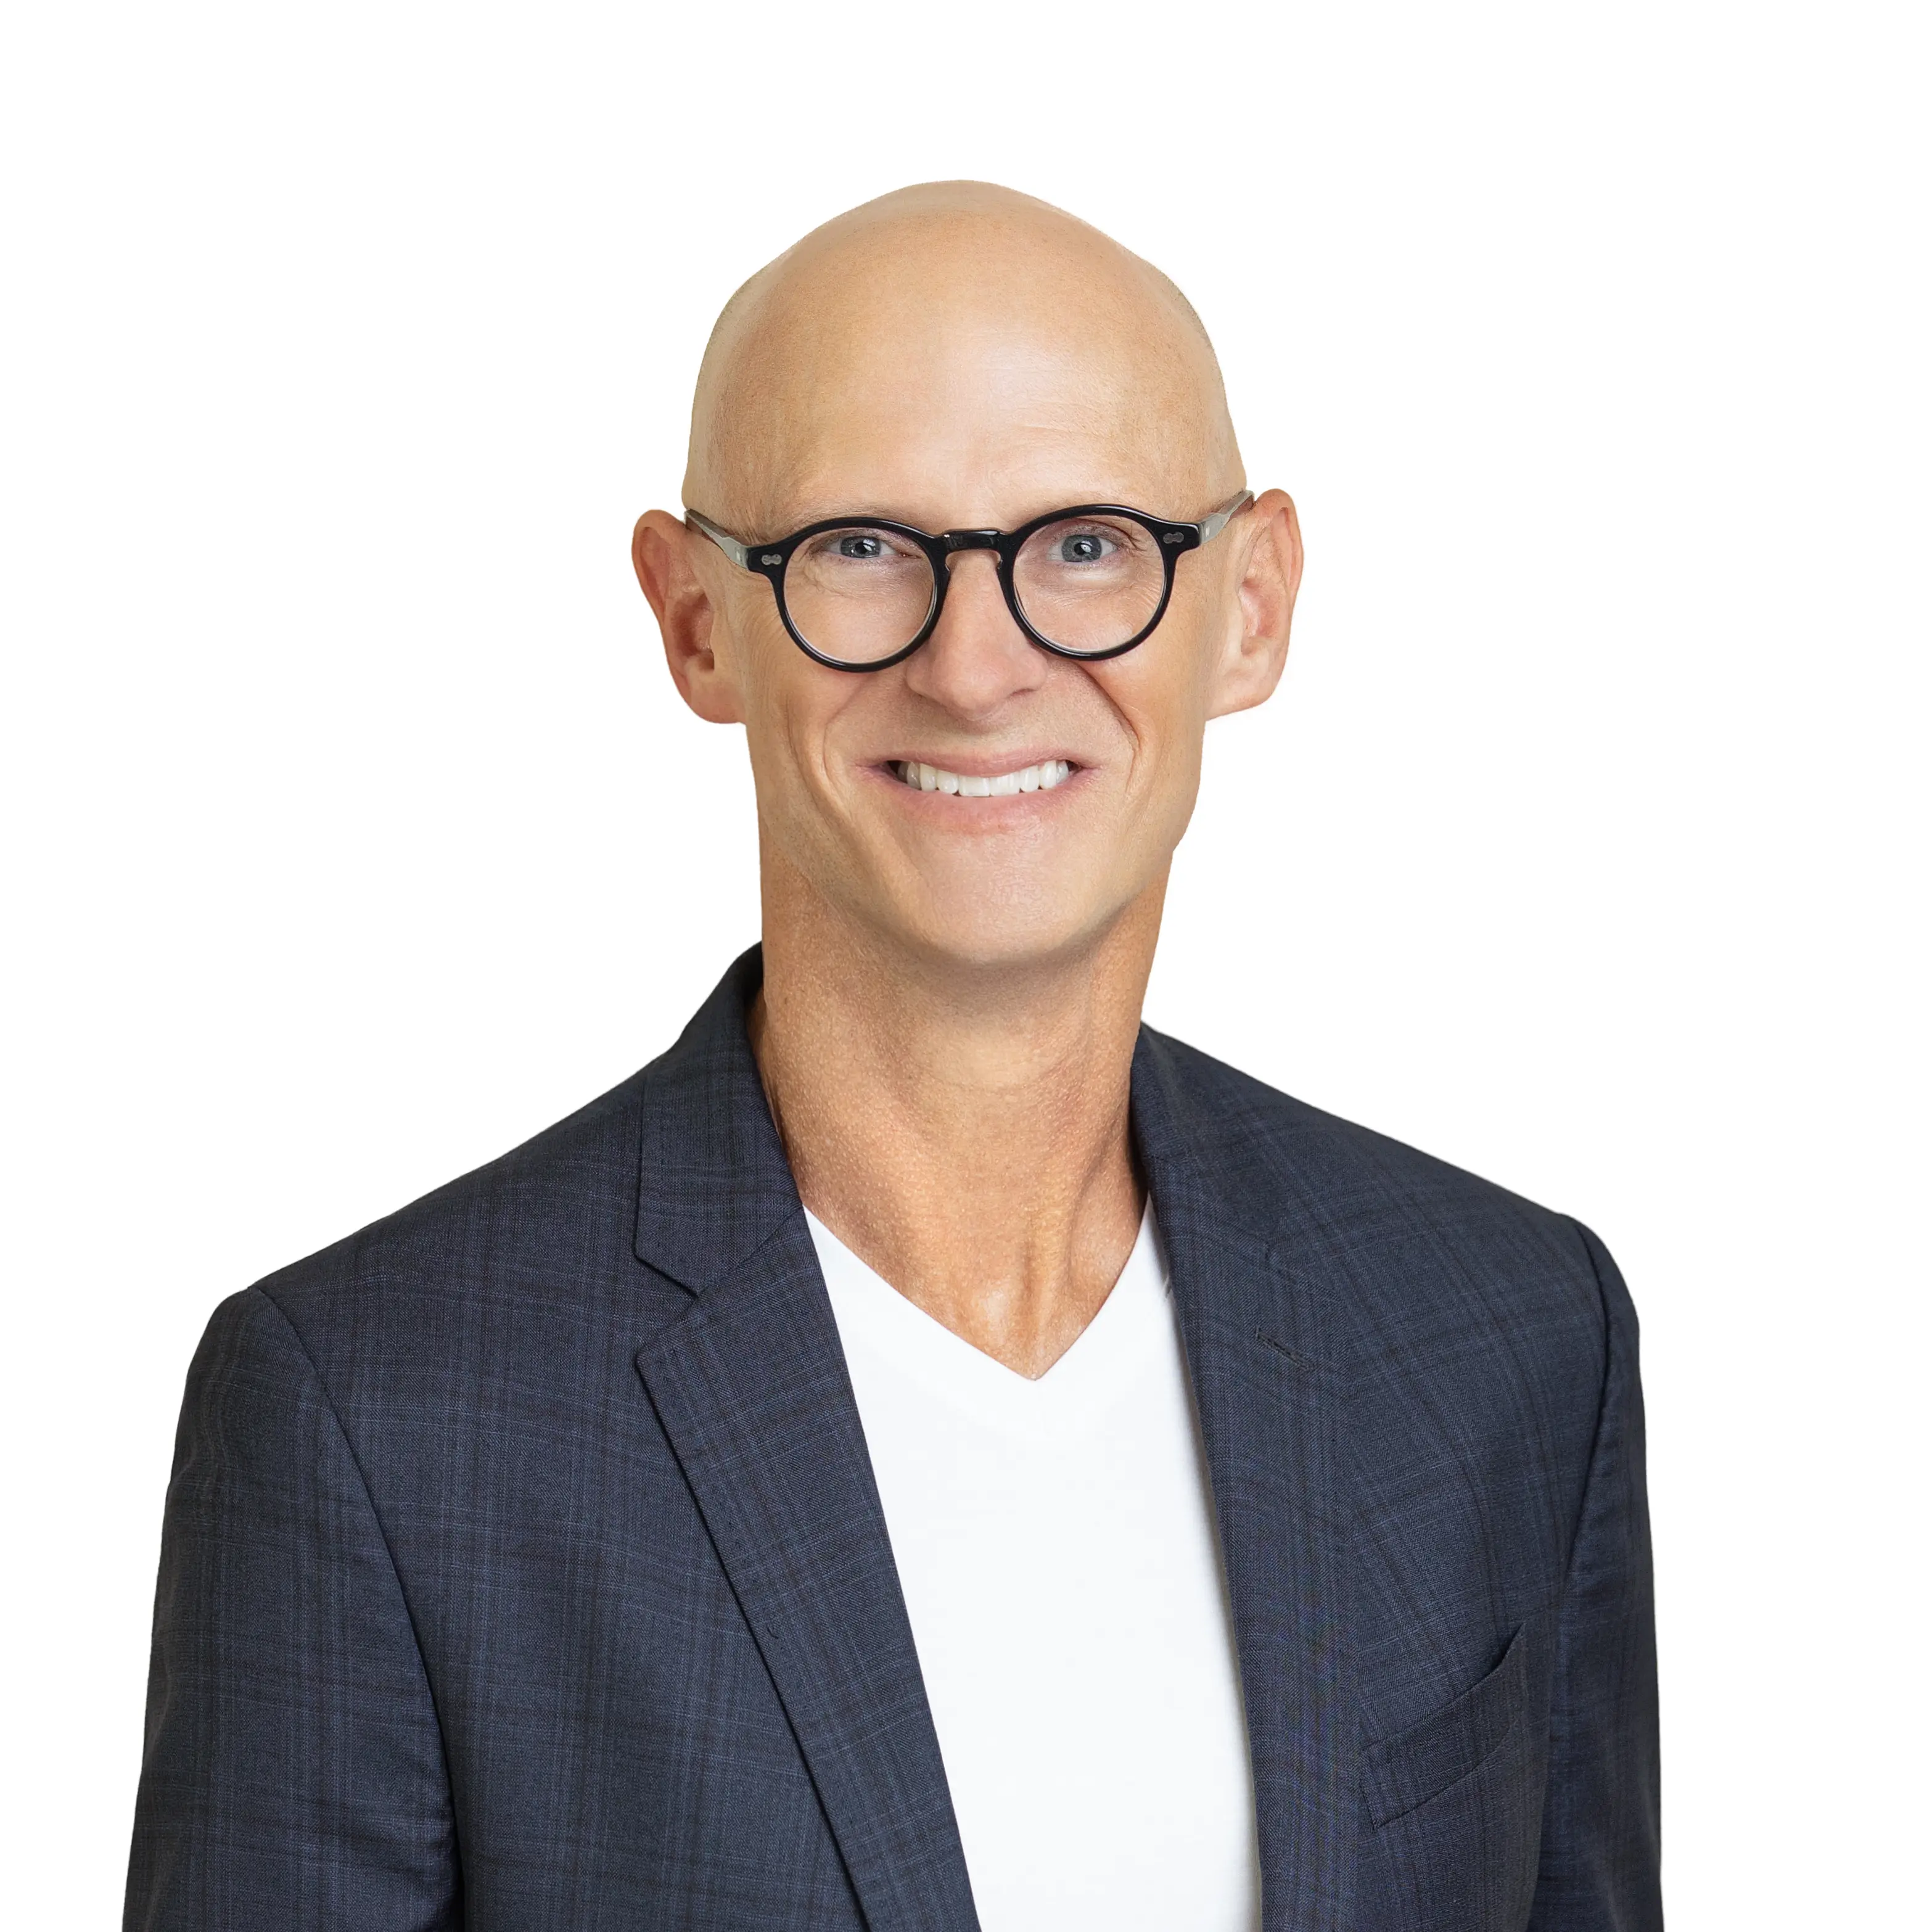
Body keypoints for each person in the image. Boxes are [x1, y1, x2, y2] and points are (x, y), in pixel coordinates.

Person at [124, 182, 1661, 1931]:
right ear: (696, 616)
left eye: (1086, 541)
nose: (978, 663)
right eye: (860, 546)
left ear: (1250, 604)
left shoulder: (1506, 1333)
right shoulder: (374, 1418)